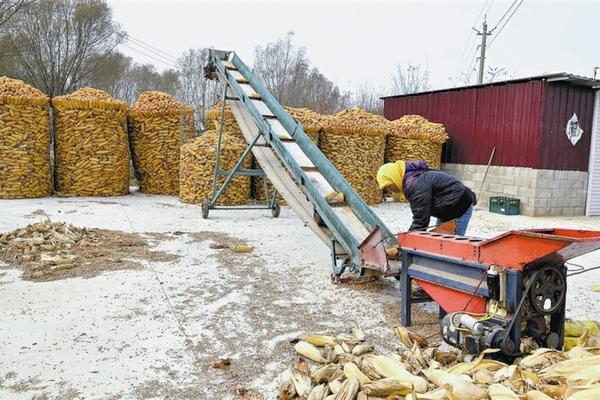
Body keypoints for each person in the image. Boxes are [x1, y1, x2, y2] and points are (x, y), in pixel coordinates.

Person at [376, 160, 477, 236]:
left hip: (460, 207)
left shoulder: (415, 185)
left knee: (452, 248)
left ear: (393, 177)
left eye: (389, 185)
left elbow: (421, 220)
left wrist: (407, 240)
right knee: (439, 241)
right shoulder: (413, 178)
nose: (390, 189)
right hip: (447, 208)